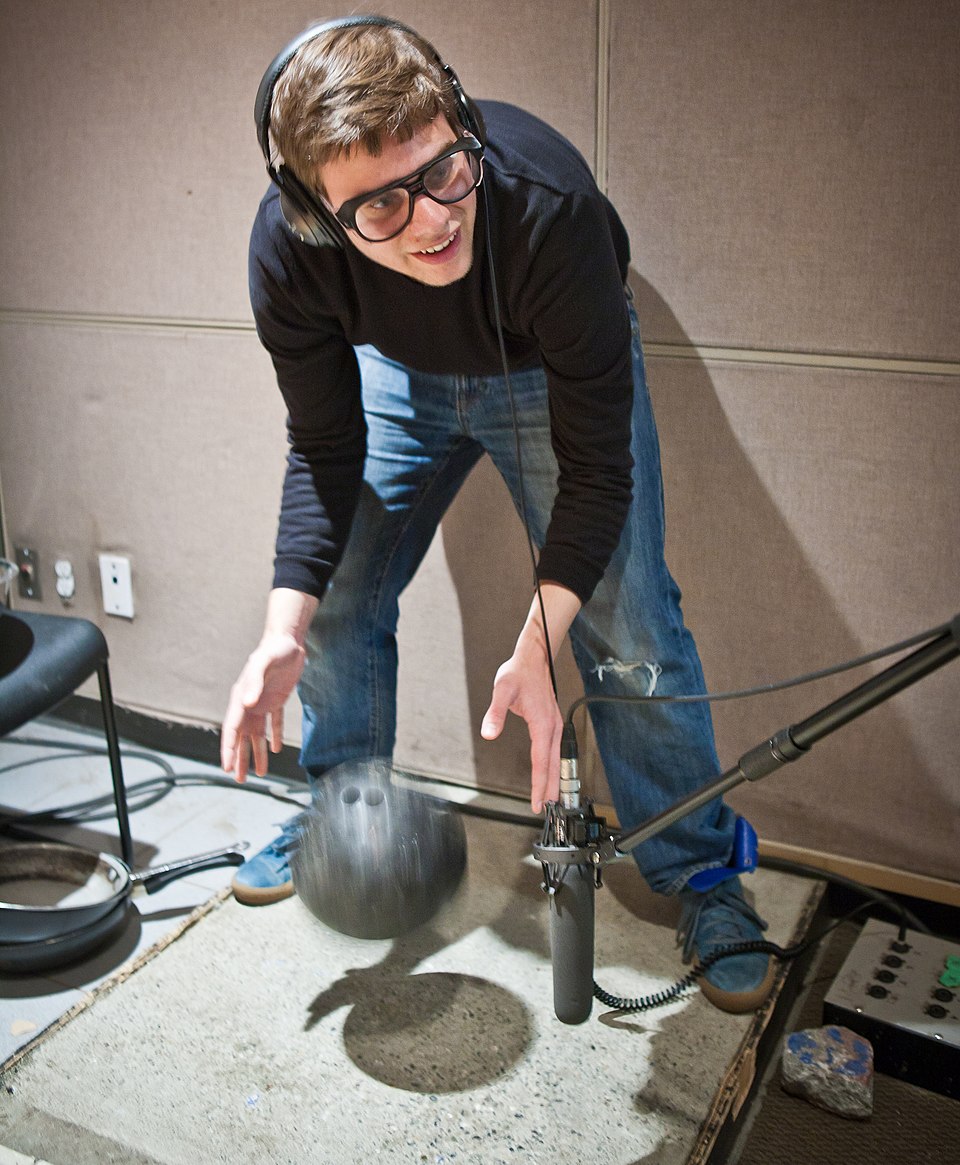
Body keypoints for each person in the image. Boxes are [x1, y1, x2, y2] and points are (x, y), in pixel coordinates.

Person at [221, 14, 774, 1013]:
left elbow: (598, 475)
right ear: (315, 214)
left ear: (461, 124)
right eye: (379, 206)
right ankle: (345, 821)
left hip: (542, 370)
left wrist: (538, 642)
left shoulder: (549, 210)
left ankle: (701, 869)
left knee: (631, 622)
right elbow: (324, 451)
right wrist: (280, 630)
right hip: (400, 371)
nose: (431, 219)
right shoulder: (289, 253)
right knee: (333, 592)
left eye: (442, 170)